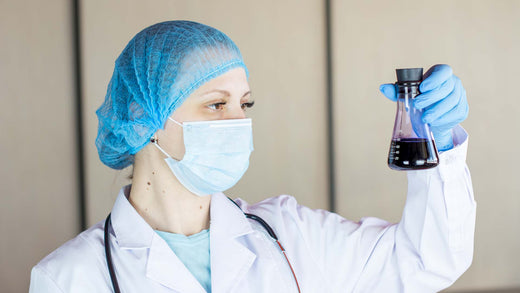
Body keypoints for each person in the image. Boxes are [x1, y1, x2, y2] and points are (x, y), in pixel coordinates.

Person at [29, 20, 476, 293]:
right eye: (215, 104)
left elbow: (427, 261)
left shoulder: (291, 236)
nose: (238, 121)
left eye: (245, 104)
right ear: (142, 115)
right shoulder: (71, 279)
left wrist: (439, 141)